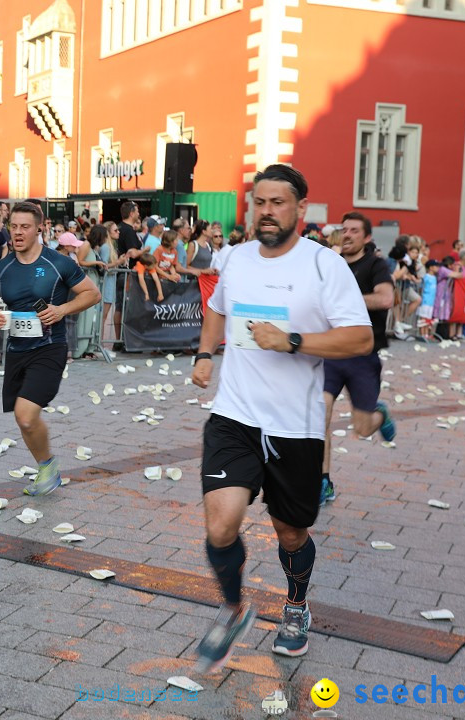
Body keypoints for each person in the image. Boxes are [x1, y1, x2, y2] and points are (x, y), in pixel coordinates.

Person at [190, 164, 372, 671]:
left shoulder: (323, 266)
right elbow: (218, 308)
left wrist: (292, 341)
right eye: (259, 202)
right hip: (235, 416)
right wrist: (206, 353)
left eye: (277, 203)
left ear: (300, 210)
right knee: (220, 525)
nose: (266, 212)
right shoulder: (237, 258)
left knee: (290, 533)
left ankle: (296, 605)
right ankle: (231, 608)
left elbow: (359, 338)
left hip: (296, 425)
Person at [0, 201, 101, 496]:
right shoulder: (2, 269)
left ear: (39, 229)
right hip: (17, 350)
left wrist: (62, 310)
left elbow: (92, 294)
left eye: (25, 227)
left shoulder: (58, 263)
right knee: (24, 419)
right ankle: (47, 466)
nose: (18, 233)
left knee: (26, 414)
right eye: (14, 227)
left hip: (49, 348)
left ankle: (47, 467)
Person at [320, 211, 397, 507]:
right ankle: (323, 482)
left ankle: (380, 414)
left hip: (364, 356)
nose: (348, 234)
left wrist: (347, 299)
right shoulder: (331, 264)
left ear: (366, 238)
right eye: (344, 229)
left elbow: (386, 299)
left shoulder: (376, 265)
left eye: (354, 230)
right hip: (331, 352)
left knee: (362, 429)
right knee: (319, 415)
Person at [113, 202, 144, 349]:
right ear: (131, 213)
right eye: (137, 211)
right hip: (127, 274)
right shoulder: (129, 231)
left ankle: (119, 340)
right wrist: (145, 250)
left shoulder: (118, 228)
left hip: (120, 272)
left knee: (120, 306)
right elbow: (132, 252)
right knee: (126, 307)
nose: (139, 214)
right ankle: (125, 341)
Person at [417, 259, 440, 340]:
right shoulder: (426, 277)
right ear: (430, 267)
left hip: (431, 301)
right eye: (436, 266)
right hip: (425, 300)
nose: (438, 268)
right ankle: (422, 334)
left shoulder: (434, 277)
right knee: (423, 317)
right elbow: (420, 285)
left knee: (428, 318)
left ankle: (427, 333)